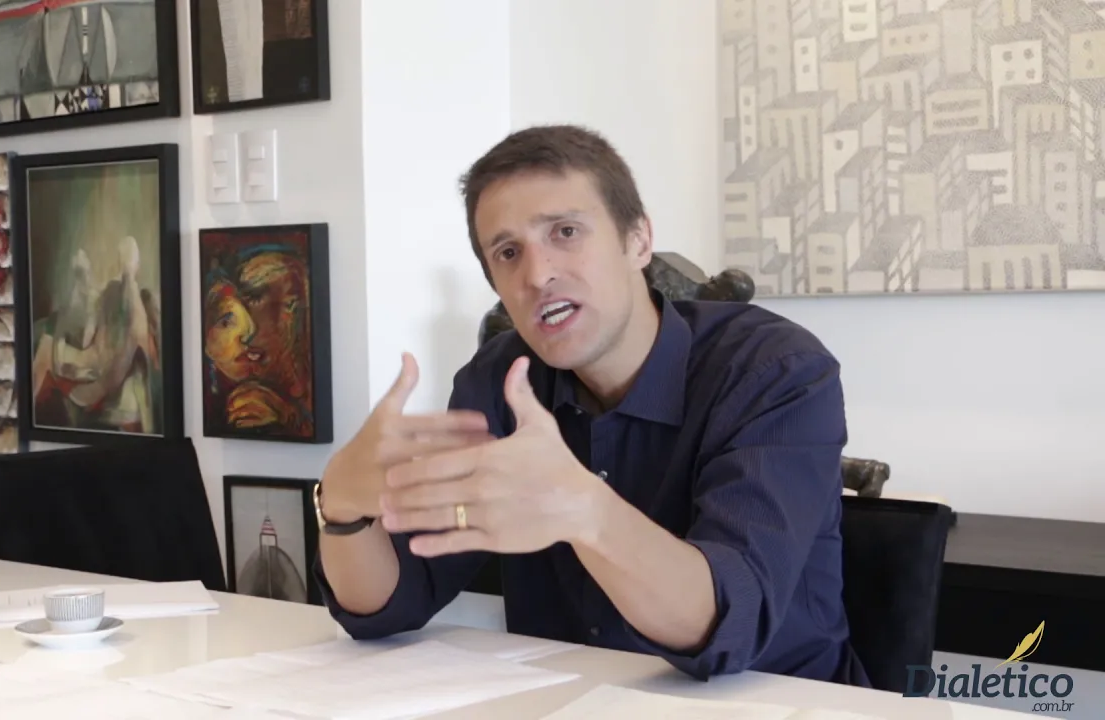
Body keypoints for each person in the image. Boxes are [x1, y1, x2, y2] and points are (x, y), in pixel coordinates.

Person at [312, 124, 870, 686]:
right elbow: (390, 605)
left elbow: (727, 624)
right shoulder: (501, 379)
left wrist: (584, 510)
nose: (538, 274)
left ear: (638, 241)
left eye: (566, 232)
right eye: (508, 253)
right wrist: (342, 506)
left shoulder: (775, 370)